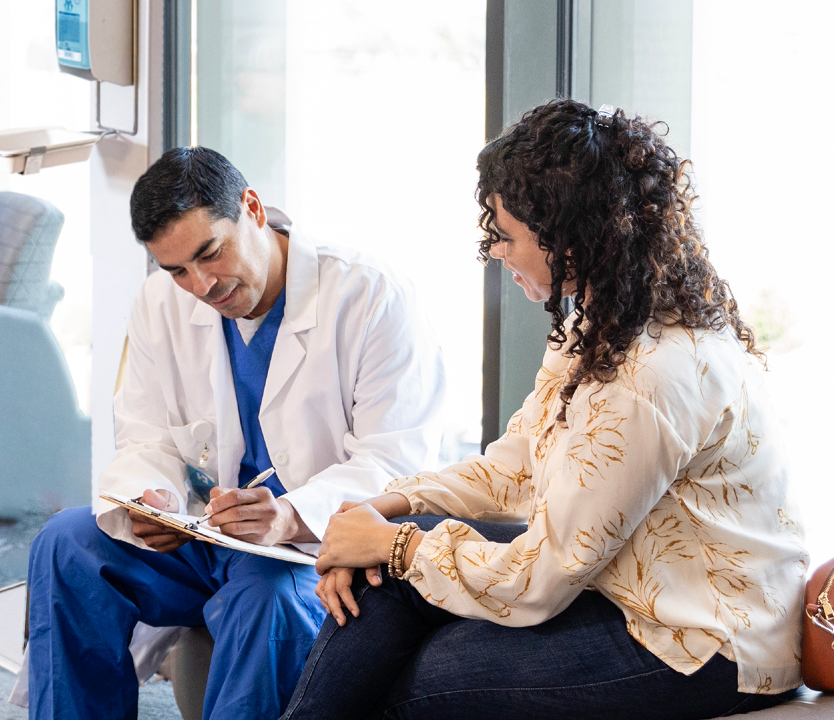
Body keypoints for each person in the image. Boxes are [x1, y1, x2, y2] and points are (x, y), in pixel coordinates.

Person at [282, 100, 808, 719]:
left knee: (427, 678)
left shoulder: (650, 374)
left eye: (505, 236)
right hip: (627, 585)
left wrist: (393, 545)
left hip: (705, 643)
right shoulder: (599, 322)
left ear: (571, 237)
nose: (496, 254)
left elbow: (544, 576)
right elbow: (513, 466)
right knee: (387, 579)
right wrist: (379, 514)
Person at [22, 147, 447, 720]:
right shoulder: (159, 303)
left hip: (305, 550)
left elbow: (399, 461)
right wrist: (157, 500)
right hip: (205, 538)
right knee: (66, 543)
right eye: (176, 270)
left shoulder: (369, 296)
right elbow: (146, 436)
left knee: (266, 596)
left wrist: (291, 516)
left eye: (209, 253)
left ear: (253, 208)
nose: (200, 285)